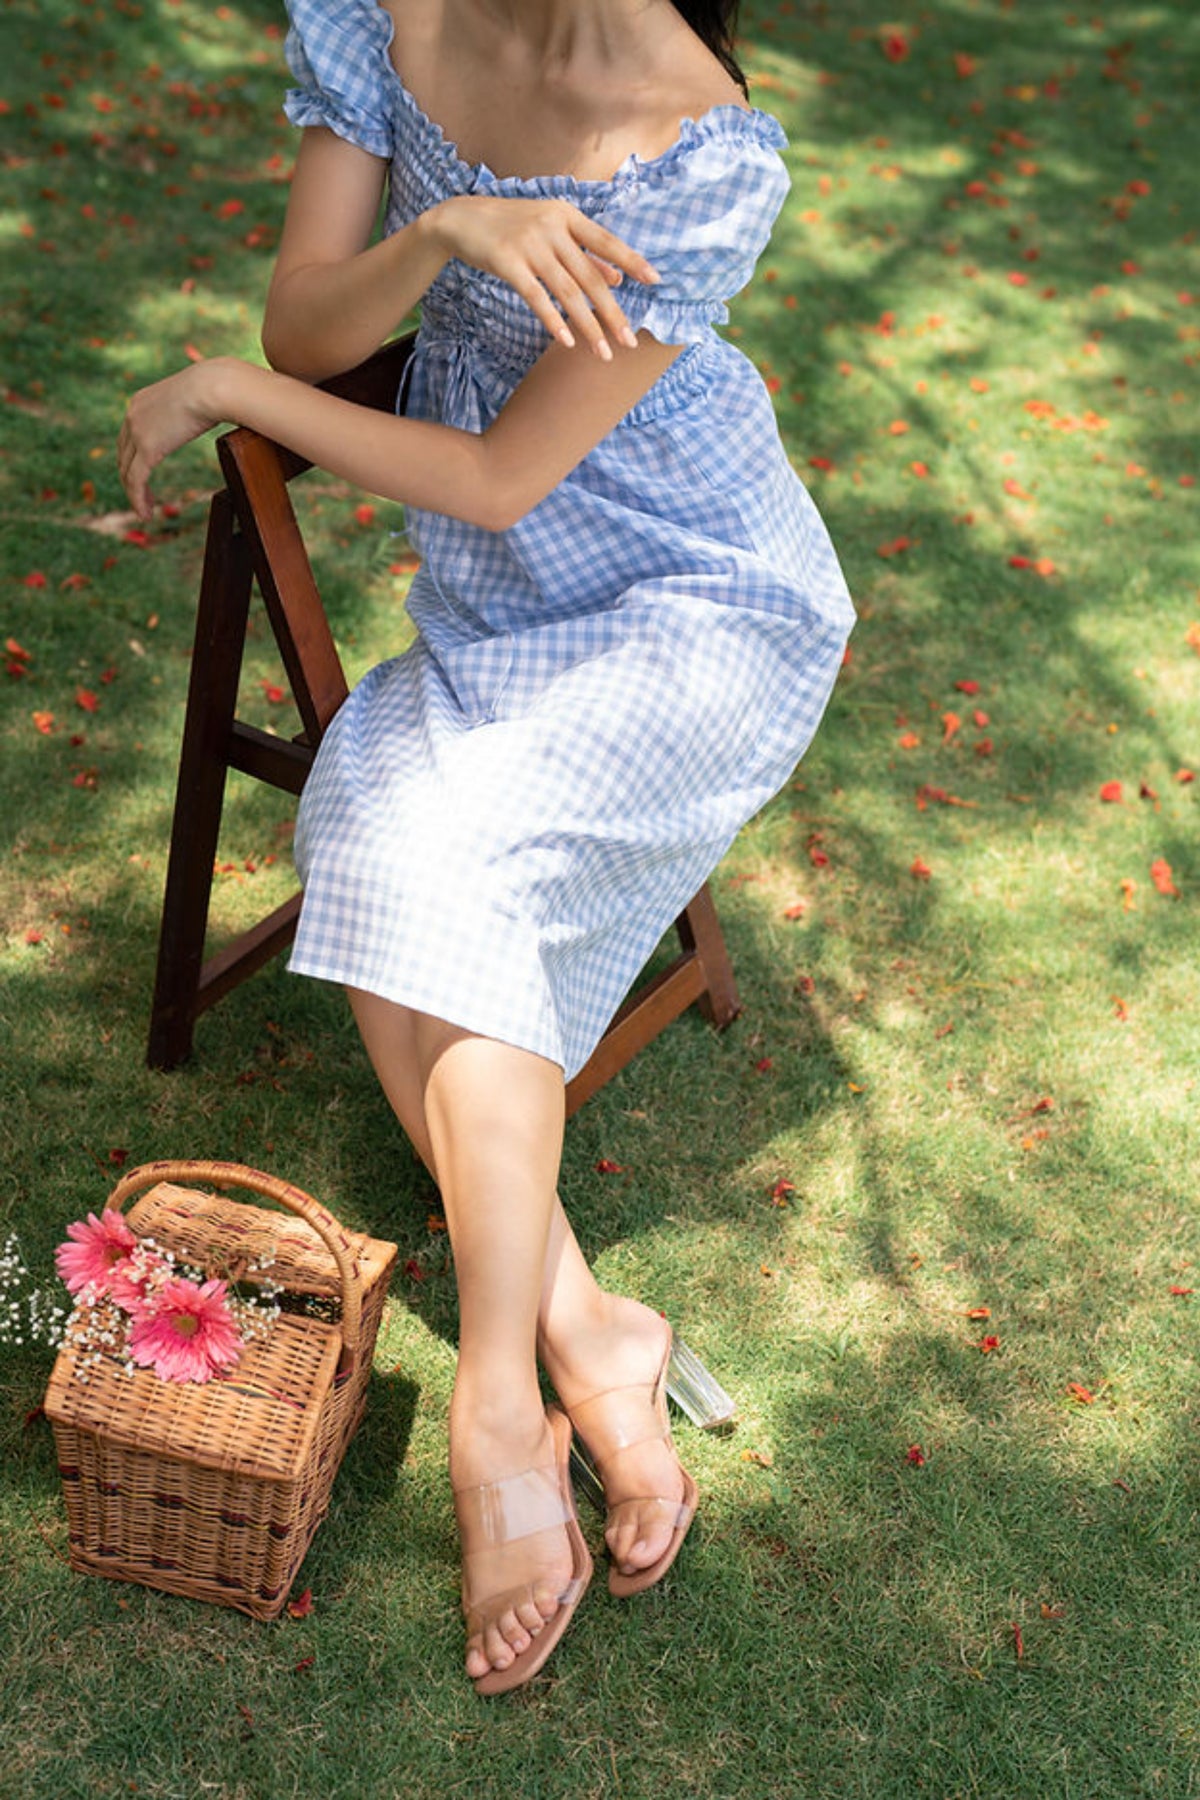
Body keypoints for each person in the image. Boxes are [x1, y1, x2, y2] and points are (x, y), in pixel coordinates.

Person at [118, 0, 854, 1695]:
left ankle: (497, 1409)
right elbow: (307, 325)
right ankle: (590, 1326)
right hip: (500, 612)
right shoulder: (385, 17)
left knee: (439, 870)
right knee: (389, 837)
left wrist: (246, 395)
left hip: (697, 599)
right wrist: (441, 232)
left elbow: (506, 478)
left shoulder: (705, 145)